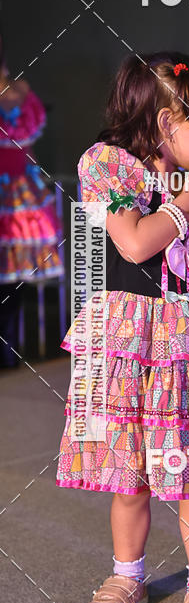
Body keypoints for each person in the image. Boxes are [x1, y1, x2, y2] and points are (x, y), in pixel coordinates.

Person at [56, 52, 189, 603]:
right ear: (167, 121)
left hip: (185, 332)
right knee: (129, 470)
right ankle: (127, 573)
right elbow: (136, 243)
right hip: (123, 335)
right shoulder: (106, 163)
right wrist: (188, 199)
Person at [0, 32, 63, 366]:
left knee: (16, 275)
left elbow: (28, 147)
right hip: (16, 192)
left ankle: (8, 351)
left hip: (20, 195)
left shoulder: (21, 91)